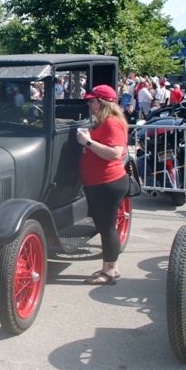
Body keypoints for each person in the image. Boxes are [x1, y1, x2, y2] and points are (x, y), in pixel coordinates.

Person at [76, 84, 128, 285]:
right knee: (105, 226)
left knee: (107, 228)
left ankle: (110, 271)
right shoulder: (104, 122)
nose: (89, 104)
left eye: (92, 100)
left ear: (102, 102)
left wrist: (88, 142)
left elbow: (115, 152)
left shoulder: (112, 123)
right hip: (100, 182)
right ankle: (110, 268)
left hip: (107, 182)